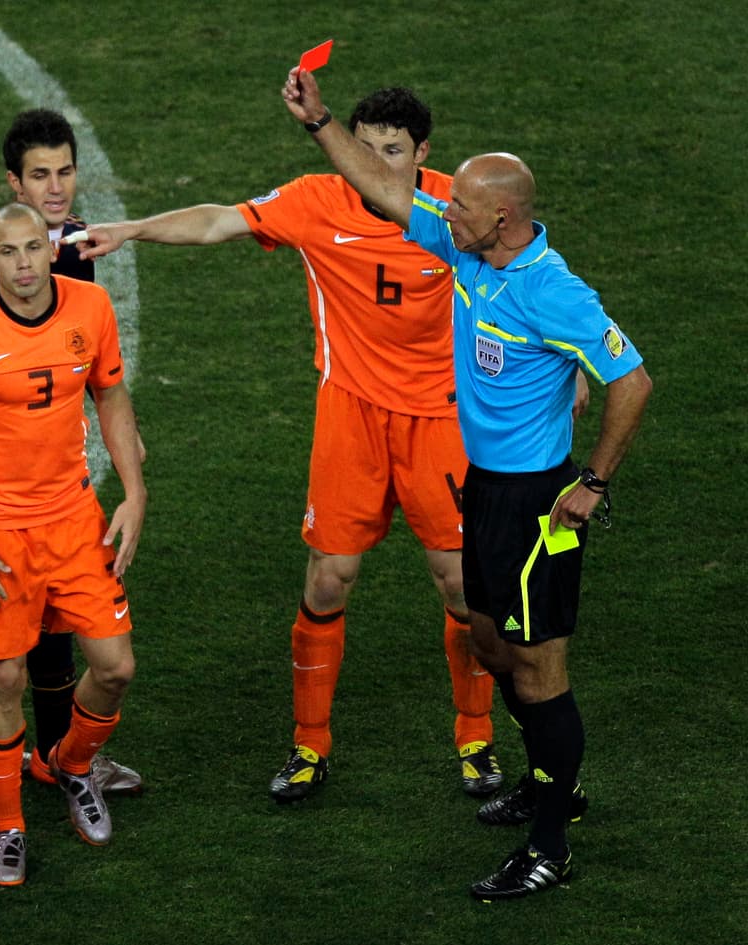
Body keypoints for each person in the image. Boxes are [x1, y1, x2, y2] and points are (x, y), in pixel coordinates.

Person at [281, 64, 652, 900]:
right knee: (489, 644)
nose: (444, 207)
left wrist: (592, 481)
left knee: (538, 668)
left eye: (463, 203)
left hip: (538, 502)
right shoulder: (464, 246)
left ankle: (552, 838)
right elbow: (382, 186)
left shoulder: (554, 291)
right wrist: (319, 124)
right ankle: (545, 777)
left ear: (504, 216)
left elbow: (633, 381)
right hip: (481, 488)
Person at [75, 88, 502, 804]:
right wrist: (133, 228)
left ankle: (476, 735)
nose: (372, 164)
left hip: (442, 420)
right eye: (362, 147)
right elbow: (220, 221)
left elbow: (517, 291)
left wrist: (561, 371)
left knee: (462, 584)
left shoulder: (454, 212)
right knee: (329, 578)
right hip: (351, 417)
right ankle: (309, 744)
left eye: (391, 151)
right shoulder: (317, 199)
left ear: (423, 155)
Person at [0, 203, 146, 886]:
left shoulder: (92, 307)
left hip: (75, 517)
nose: (22, 265)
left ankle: (71, 763)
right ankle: (7, 826)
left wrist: (134, 494)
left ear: (52, 251)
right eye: (8, 253)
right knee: (8, 677)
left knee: (115, 667)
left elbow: (110, 396)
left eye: (32, 249)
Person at [0, 108, 142, 796]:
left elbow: (74, 354)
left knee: (50, 634)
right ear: (13, 184)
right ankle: (19, 752)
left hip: (55, 483)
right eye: (40, 175)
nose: (56, 188)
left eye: (65, 172)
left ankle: (26, 749)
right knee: (16, 649)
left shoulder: (76, 246)